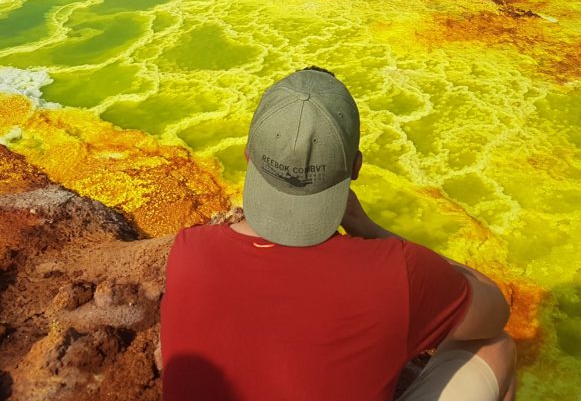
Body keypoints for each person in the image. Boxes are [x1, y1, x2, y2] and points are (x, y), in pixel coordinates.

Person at [160, 67, 517, 400]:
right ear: (357, 167)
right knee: (496, 347)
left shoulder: (188, 251)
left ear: (248, 155)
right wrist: (372, 230)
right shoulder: (396, 273)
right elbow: (494, 312)